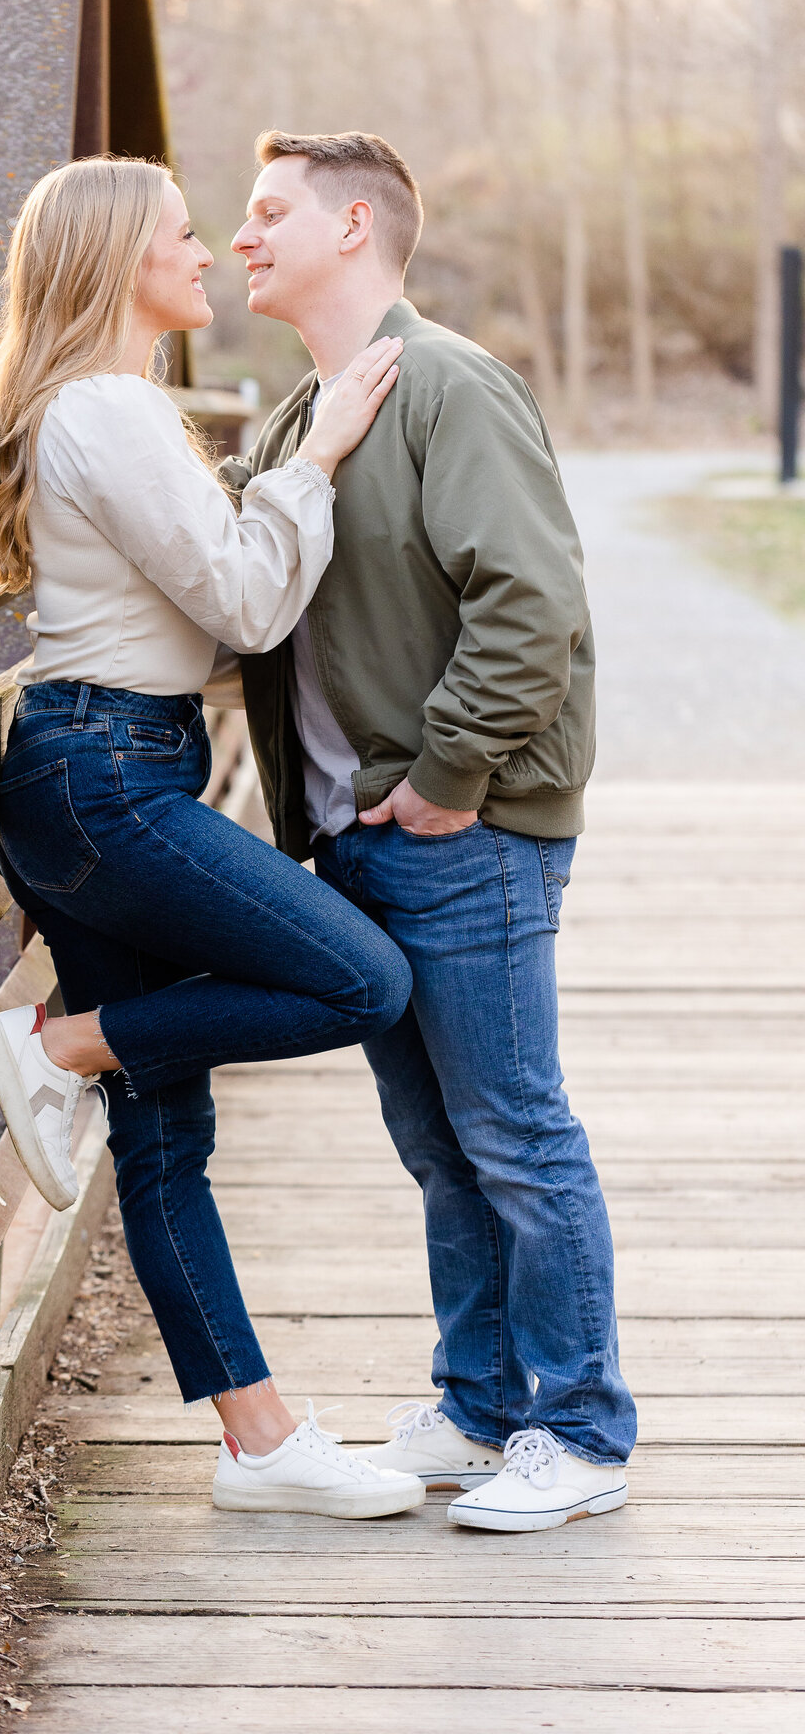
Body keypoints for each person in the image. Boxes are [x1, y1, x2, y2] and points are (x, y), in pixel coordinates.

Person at [0, 155, 422, 1520]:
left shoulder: (114, 408)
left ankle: (258, 1443)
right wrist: (321, 456)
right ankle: (58, 1044)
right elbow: (240, 604)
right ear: (119, 262)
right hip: (108, 781)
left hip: (96, 769)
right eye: (182, 234)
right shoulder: (107, 410)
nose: (211, 252)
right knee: (362, 980)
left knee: (164, 1140)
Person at [221, 129, 637, 1535]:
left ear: (355, 229)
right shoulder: (295, 425)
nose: (241, 237)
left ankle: (580, 1429)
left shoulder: (451, 386)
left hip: (467, 832)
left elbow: (532, 602)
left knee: (514, 1132)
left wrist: (454, 776)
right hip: (356, 844)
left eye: (270, 211)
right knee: (440, 1148)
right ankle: (479, 1404)